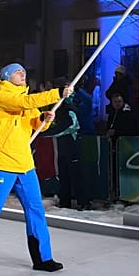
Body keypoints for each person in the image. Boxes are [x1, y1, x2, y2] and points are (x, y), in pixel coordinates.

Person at [0, 62, 72, 272]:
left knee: (35, 209)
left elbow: (33, 123)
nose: (22, 75)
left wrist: (43, 119)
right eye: (18, 72)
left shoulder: (24, 99)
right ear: (7, 76)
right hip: (2, 162)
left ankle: (42, 258)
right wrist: (56, 93)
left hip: (24, 164)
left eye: (24, 72)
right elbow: (24, 102)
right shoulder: (3, 97)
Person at [43, 77, 90, 211]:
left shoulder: (71, 105)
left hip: (72, 144)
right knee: (63, 174)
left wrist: (45, 133)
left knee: (76, 174)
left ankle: (83, 201)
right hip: (62, 145)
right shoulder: (59, 105)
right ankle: (65, 200)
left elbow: (68, 126)